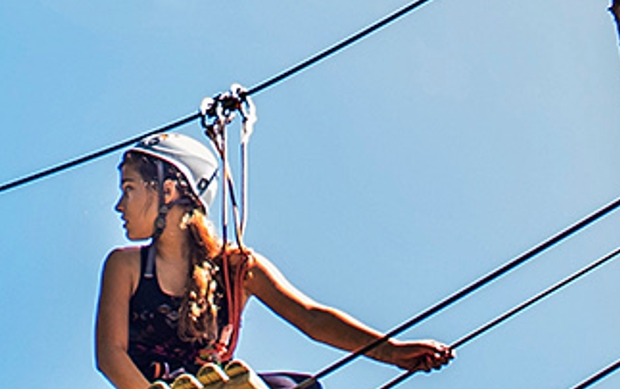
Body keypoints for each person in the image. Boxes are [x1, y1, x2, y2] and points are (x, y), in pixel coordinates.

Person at [98, 132, 452, 389]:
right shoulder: (127, 267)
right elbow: (111, 356)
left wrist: (391, 351)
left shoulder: (237, 269)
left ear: (169, 190)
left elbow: (312, 319)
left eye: (129, 188)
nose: (119, 205)